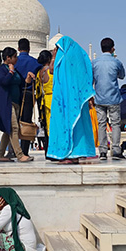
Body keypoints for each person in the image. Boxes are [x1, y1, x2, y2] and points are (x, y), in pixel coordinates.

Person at [47, 36, 96, 164]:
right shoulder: (75, 58)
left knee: (66, 123)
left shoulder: (63, 57)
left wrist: (53, 56)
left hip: (65, 100)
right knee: (75, 124)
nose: (55, 51)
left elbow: (51, 70)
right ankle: (74, 154)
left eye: (56, 48)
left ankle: (69, 155)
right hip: (75, 99)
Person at [0, 47, 34, 163]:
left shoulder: (15, 70)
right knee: (14, 128)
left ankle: (0, 155)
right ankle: (20, 155)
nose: (17, 59)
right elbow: (4, 82)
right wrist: (10, 72)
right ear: (8, 58)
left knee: (8, 130)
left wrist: (28, 78)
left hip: (15, 103)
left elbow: (21, 84)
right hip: (6, 103)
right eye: (15, 56)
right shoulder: (0, 69)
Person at [93, 37, 126, 160]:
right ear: (113, 49)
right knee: (115, 124)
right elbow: (122, 76)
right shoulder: (116, 62)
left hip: (99, 98)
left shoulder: (95, 63)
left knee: (101, 124)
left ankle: (102, 151)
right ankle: (116, 150)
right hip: (113, 97)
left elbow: (91, 80)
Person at [15, 39, 42, 157]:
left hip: (15, 94)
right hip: (29, 95)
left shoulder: (14, 61)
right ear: (29, 48)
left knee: (14, 123)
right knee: (26, 122)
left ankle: (14, 150)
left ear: (18, 48)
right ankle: (24, 151)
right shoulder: (35, 63)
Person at [35, 50, 53, 154]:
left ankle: (48, 151)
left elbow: (37, 91)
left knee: (46, 127)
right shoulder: (51, 72)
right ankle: (54, 151)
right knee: (53, 127)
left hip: (43, 101)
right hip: (53, 101)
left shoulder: (39, 73)